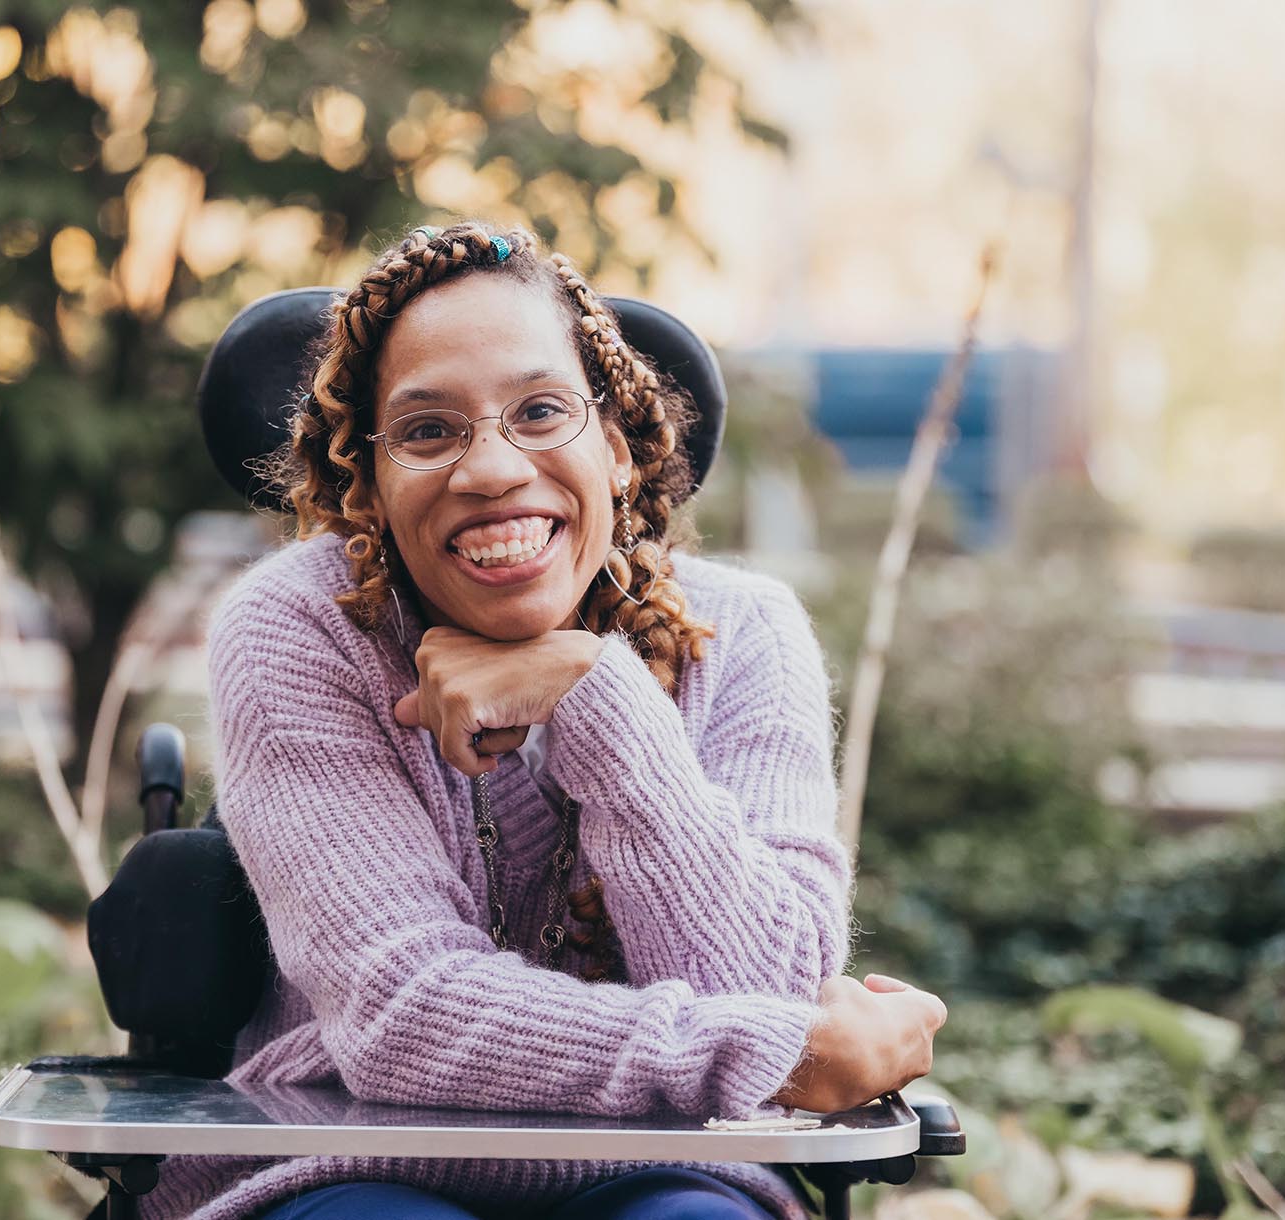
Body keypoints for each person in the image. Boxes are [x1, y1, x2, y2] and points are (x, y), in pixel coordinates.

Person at [142, 221, 946, 1220]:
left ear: (613, 449)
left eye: (539, 411)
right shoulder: (300, 628)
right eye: (429, 430)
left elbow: (770, 979)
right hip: (343, 1159)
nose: (490, 468)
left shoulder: (745, 632)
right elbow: (403, 1014)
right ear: (370, 485)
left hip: (672, 1177)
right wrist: (766, 1052)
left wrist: (597, 695)